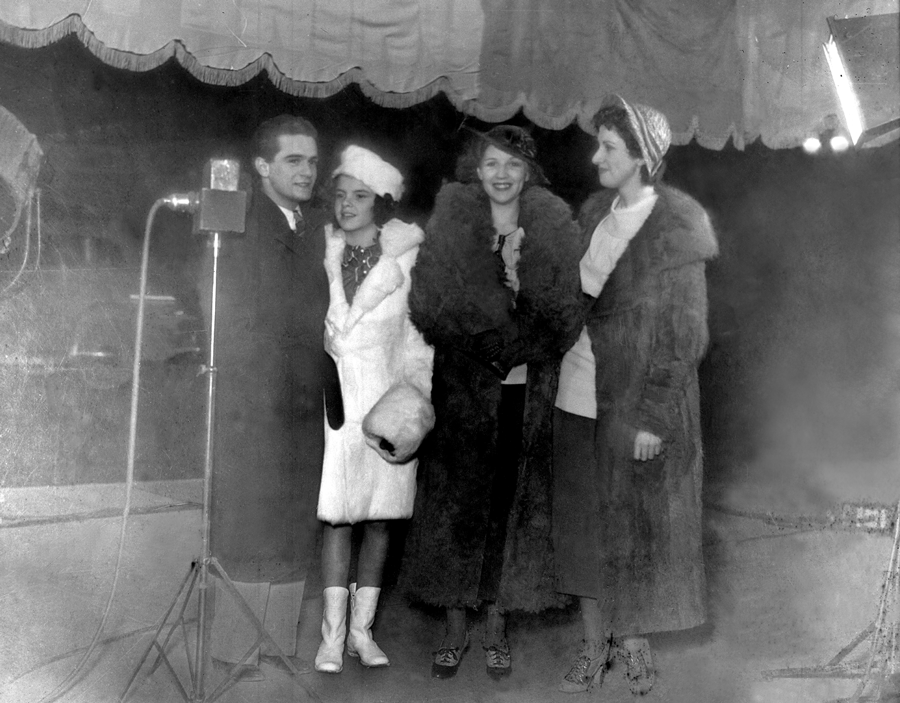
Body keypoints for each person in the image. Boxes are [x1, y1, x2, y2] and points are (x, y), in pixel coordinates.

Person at [402, 125, 583, 680]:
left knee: (511, 503)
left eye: (513, 165)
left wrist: (518, 344)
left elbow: (565, 312)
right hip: (463, 390)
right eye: (491, 164)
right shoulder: (452, 221)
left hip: (527, 393)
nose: (501, 175)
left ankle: (496, 624)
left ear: (529, 172)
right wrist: (485, 344)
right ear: (474, 171)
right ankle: (455, 625)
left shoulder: (552, 225)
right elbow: (427, 303)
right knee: (458, 507)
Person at [553, 95, 717, 695]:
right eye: (598, 144)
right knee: (583, 530)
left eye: (610, 147)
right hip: (576, 390)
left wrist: (651, 416)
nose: (597, 156)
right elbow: (573, 301)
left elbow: (687, 331)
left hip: (633, 404)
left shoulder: (677, 224)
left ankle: (636, 649)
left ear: (642, 158)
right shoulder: (595, 213)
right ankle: (593, 648)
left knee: (637, 528)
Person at [203, 114, 343, 681]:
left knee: (291, 523)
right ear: (262, 167)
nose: (307, 171)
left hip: (304, 402)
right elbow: (223, 313)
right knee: (248, 522)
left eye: (312, 161)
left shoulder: (313, 228)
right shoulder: (236, 221)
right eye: (293, 160)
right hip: (253, 403)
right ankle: (235, 651)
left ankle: (274, 644)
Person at [314, 145, 435, 674]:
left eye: (359, 196)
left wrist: (415, 401)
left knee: (381, 521)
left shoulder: (406, 259)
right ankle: (331, 638)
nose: (346, 205)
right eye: (340, 196)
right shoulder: (325, 255)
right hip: (338, 405)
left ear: (380, 201)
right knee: (339, 519)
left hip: (388, 407)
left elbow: (417, 344)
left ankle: (363, 634)